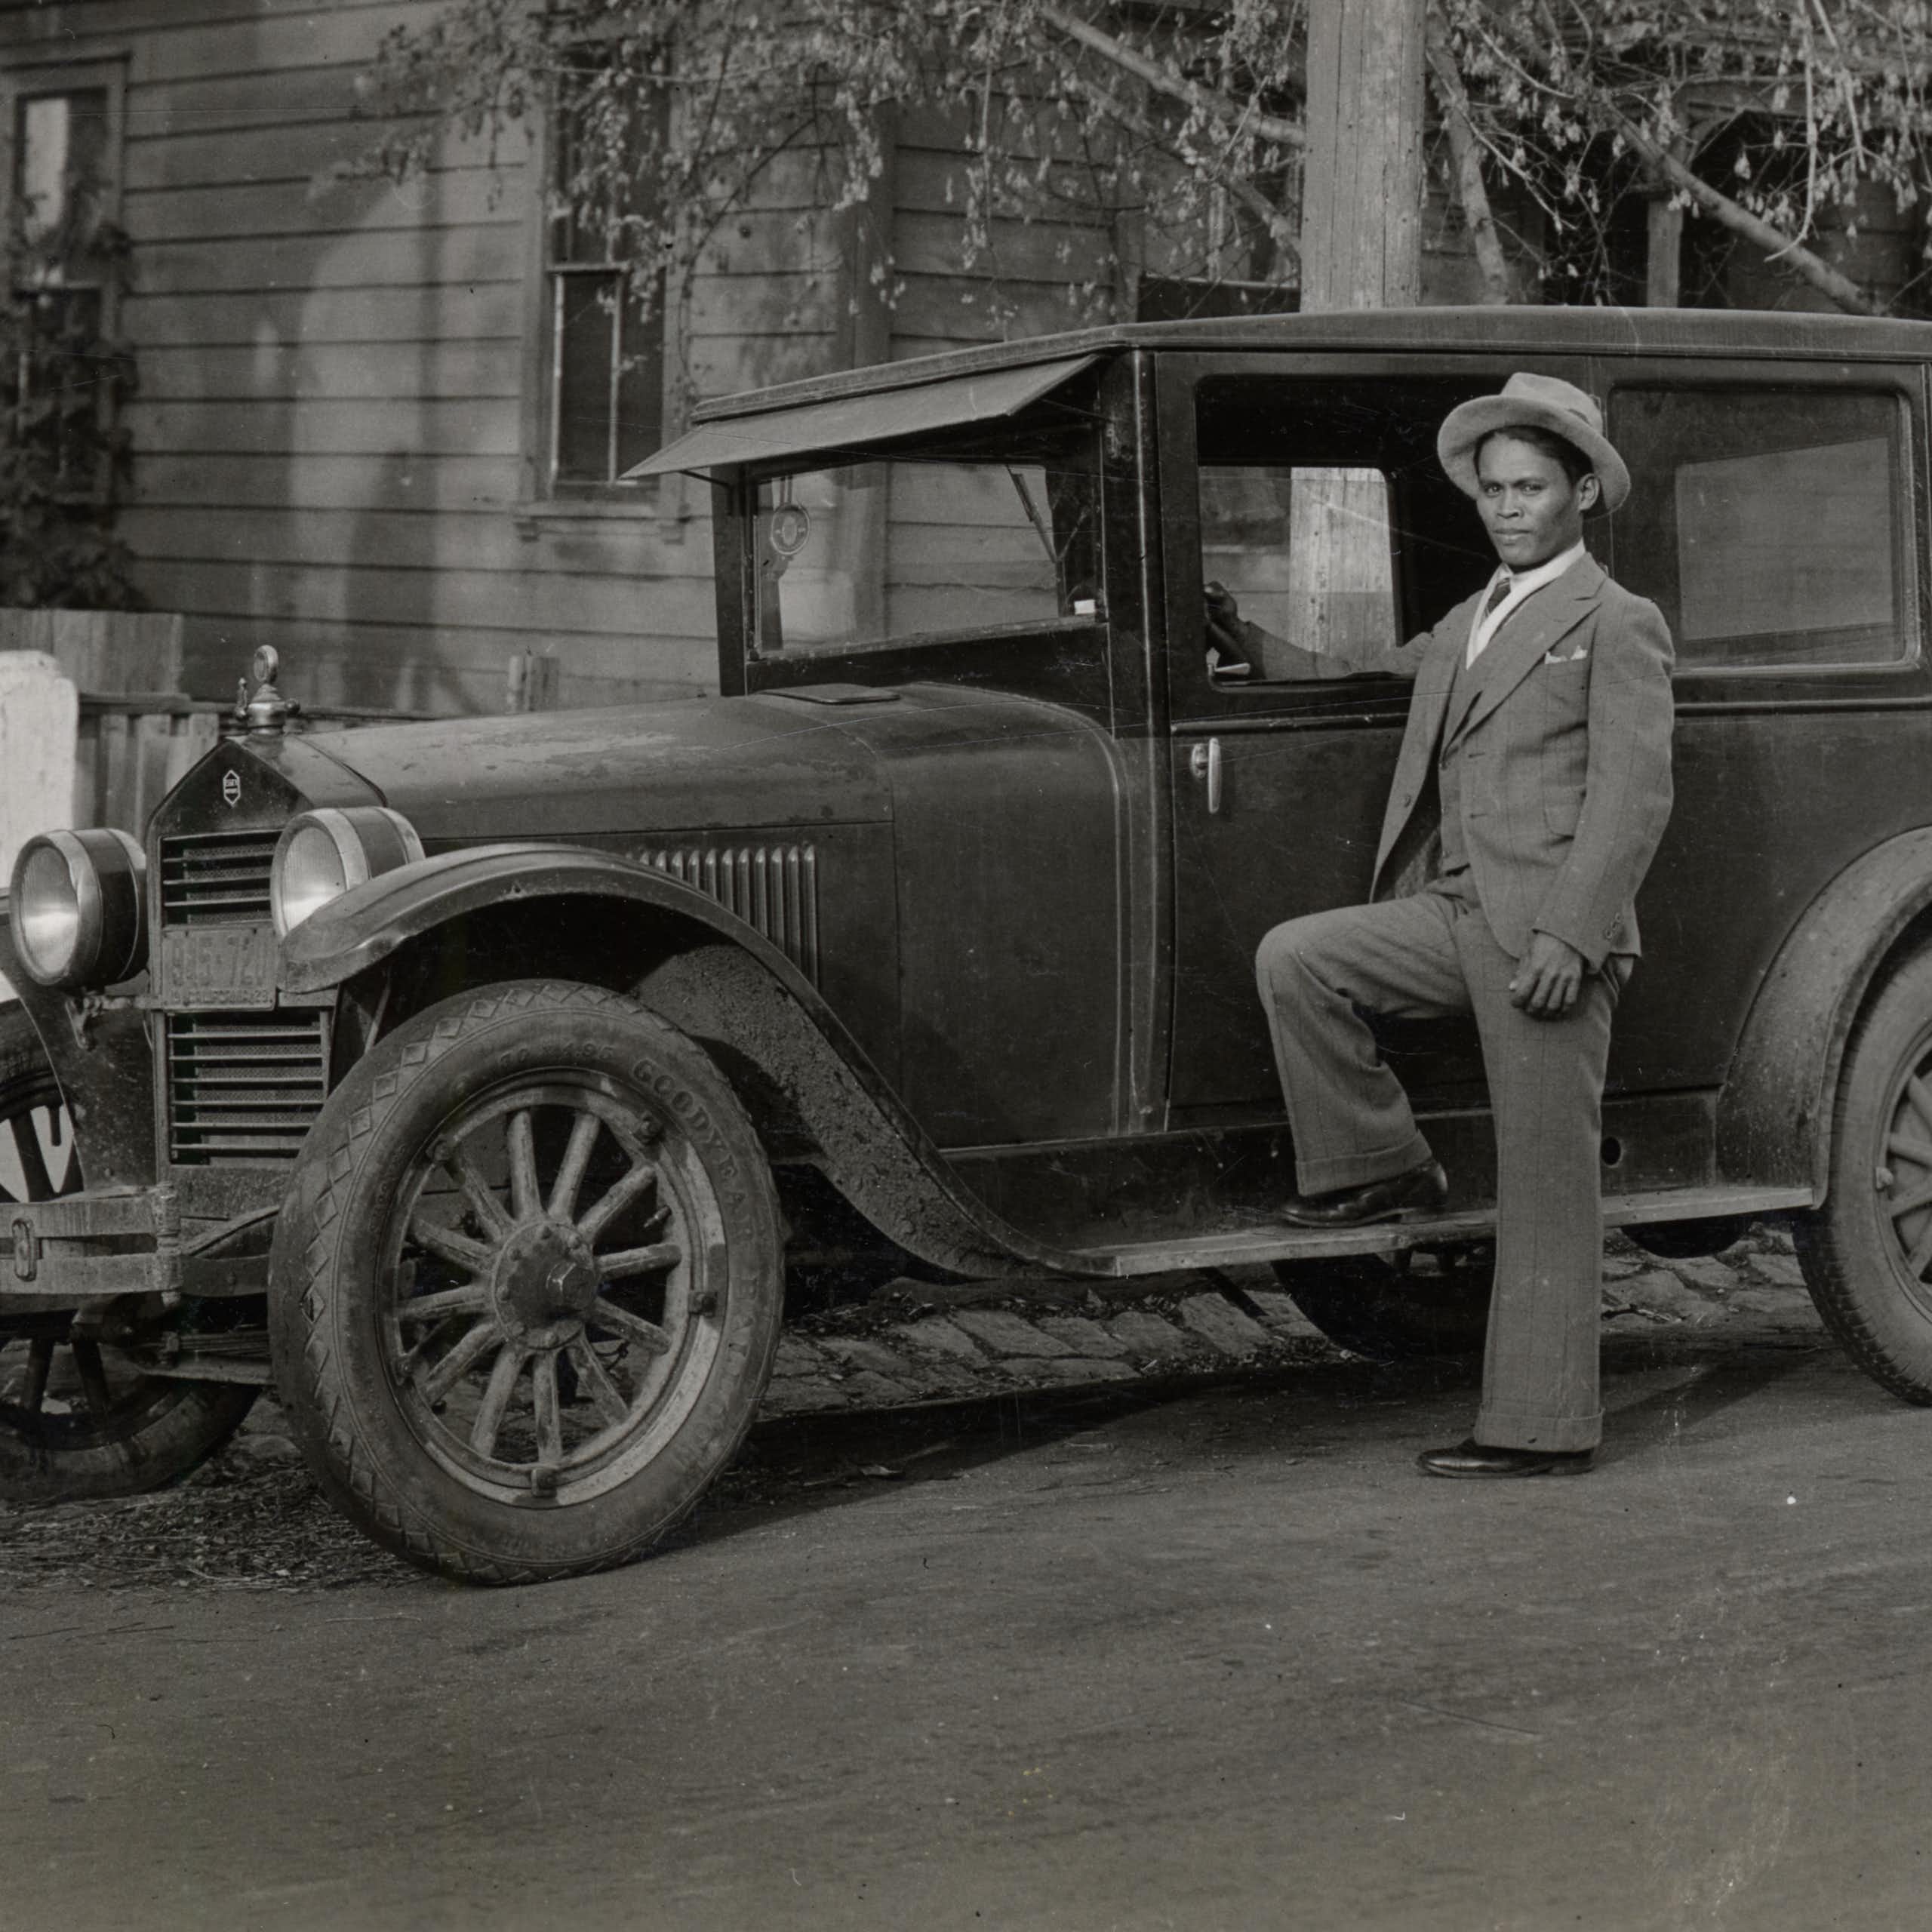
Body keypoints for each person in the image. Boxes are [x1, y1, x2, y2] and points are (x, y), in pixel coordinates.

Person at [1223, 373, 1675, 1478]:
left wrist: (1572, 935)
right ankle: (1380, 1164)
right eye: (1491, 491)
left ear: (1580, 494)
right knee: (1300, 959)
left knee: (1546, 1182)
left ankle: (1542, 1427)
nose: (1509, 508)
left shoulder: (1618, 622)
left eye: (1530, 488)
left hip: (1544, 936)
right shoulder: (1473, 620)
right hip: (1448, 906)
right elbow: (1364, 672)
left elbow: (1634, 796)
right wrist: (1241, 634)